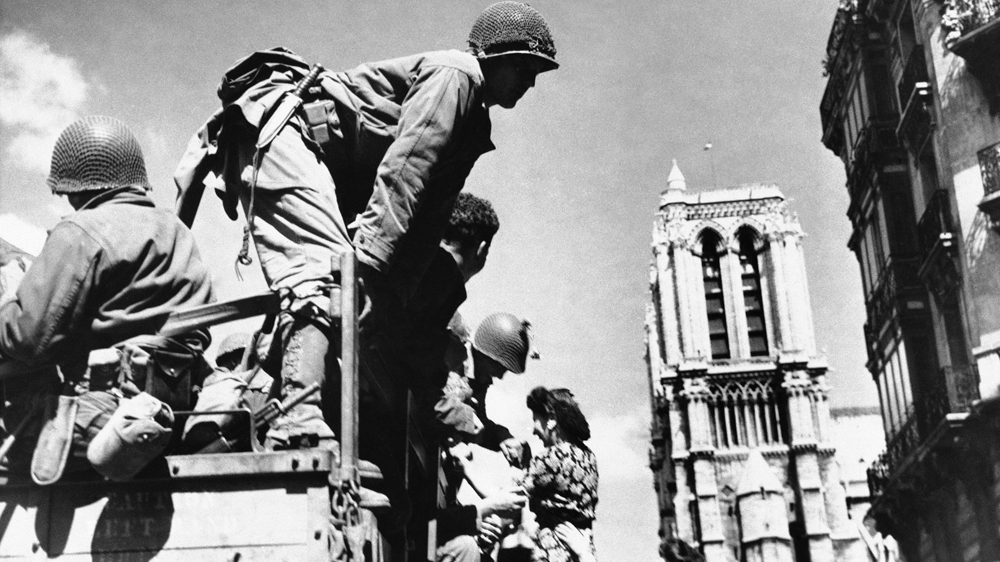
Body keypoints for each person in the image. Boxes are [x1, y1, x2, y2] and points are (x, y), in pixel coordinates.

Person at [174, 1, 559, 450]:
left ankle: (226, 435)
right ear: (497, 56)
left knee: (349, 312)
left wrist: (388, 297)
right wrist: (368, 268)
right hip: (285, 136)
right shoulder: (457, 77)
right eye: (526, 67)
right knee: (323, 281)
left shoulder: (473, 118)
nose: (531, 82)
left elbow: (424, 222)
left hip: (309, 154)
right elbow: (405, 172)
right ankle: (296, 421)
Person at [0, 115, 214, 479]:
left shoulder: (81, 231)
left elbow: (25, 337)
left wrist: (9, 298)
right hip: (172, 411)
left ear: (71, 184)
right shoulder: (175, 231)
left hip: (97, 412)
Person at [522, 387, 599, 562]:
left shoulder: (550, 457)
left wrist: (466, 469)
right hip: (582, 546)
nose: (534, 429)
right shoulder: (589, 458)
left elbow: (512, 498)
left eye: (536, 420)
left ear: (551, 419)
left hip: (552, 549)